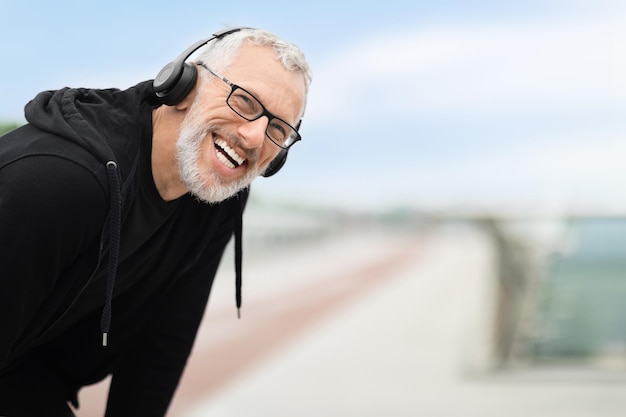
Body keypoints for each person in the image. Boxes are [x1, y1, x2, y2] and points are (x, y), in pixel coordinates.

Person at [0, 26, 312, 416]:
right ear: (184, 86)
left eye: (279, 129)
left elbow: (162, 345)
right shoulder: (60, 181)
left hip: (25, 368)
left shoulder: (218, 197)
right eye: (245, 102)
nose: (254, 138)